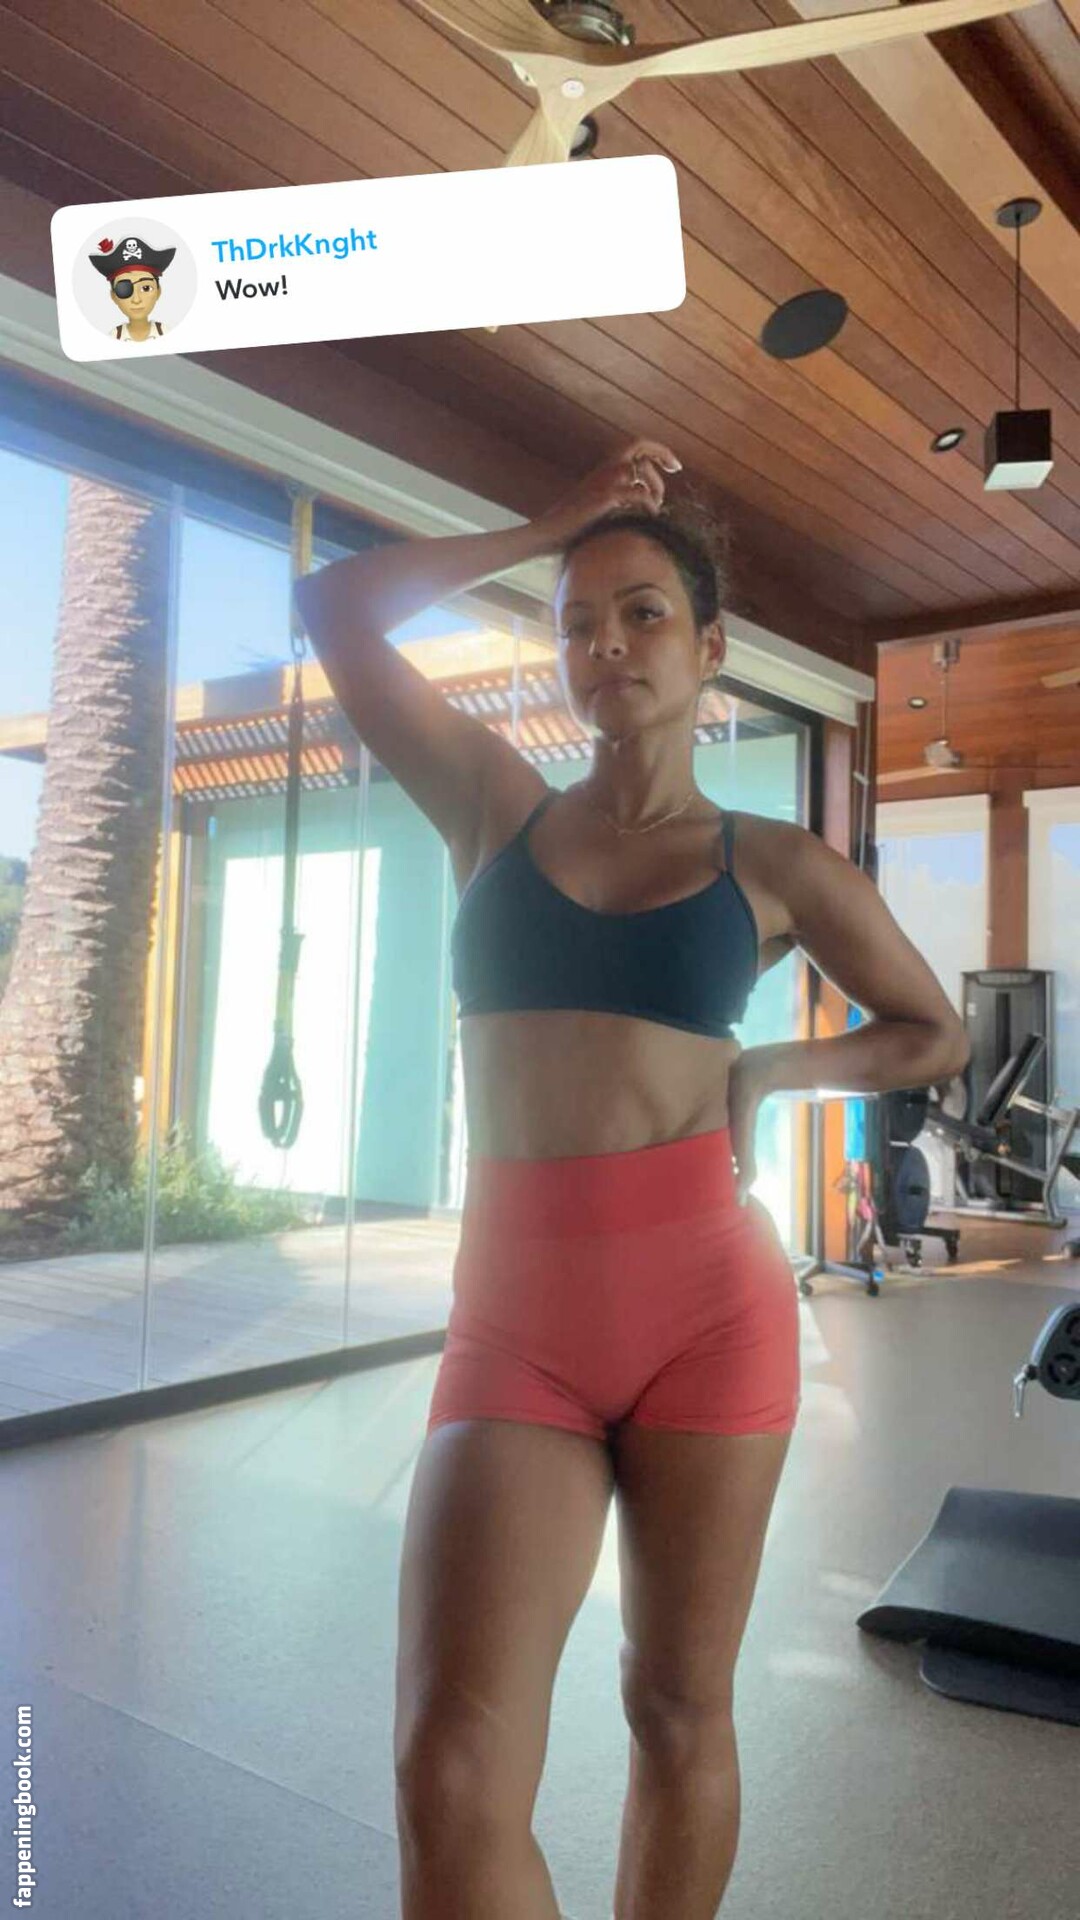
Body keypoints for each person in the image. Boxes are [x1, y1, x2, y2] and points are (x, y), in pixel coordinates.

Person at [294, 439, 969, 1920]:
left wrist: (774, 1069)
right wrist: (555, 521)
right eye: (577, 623)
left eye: (643, 613)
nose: (606, 644)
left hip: (709, 1314)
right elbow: (336, 605)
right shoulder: (493, 803)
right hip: (514, 1325)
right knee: (447, 1774)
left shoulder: (772, 862)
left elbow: (935, 1028)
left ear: (710, 648)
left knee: (676, 1708)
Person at [88, 235, 174, 341]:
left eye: (146, 288)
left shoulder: (166, 333)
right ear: (113, 296)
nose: (136, 299)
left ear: (158, 291)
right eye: (124, 289)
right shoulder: (113, 337)